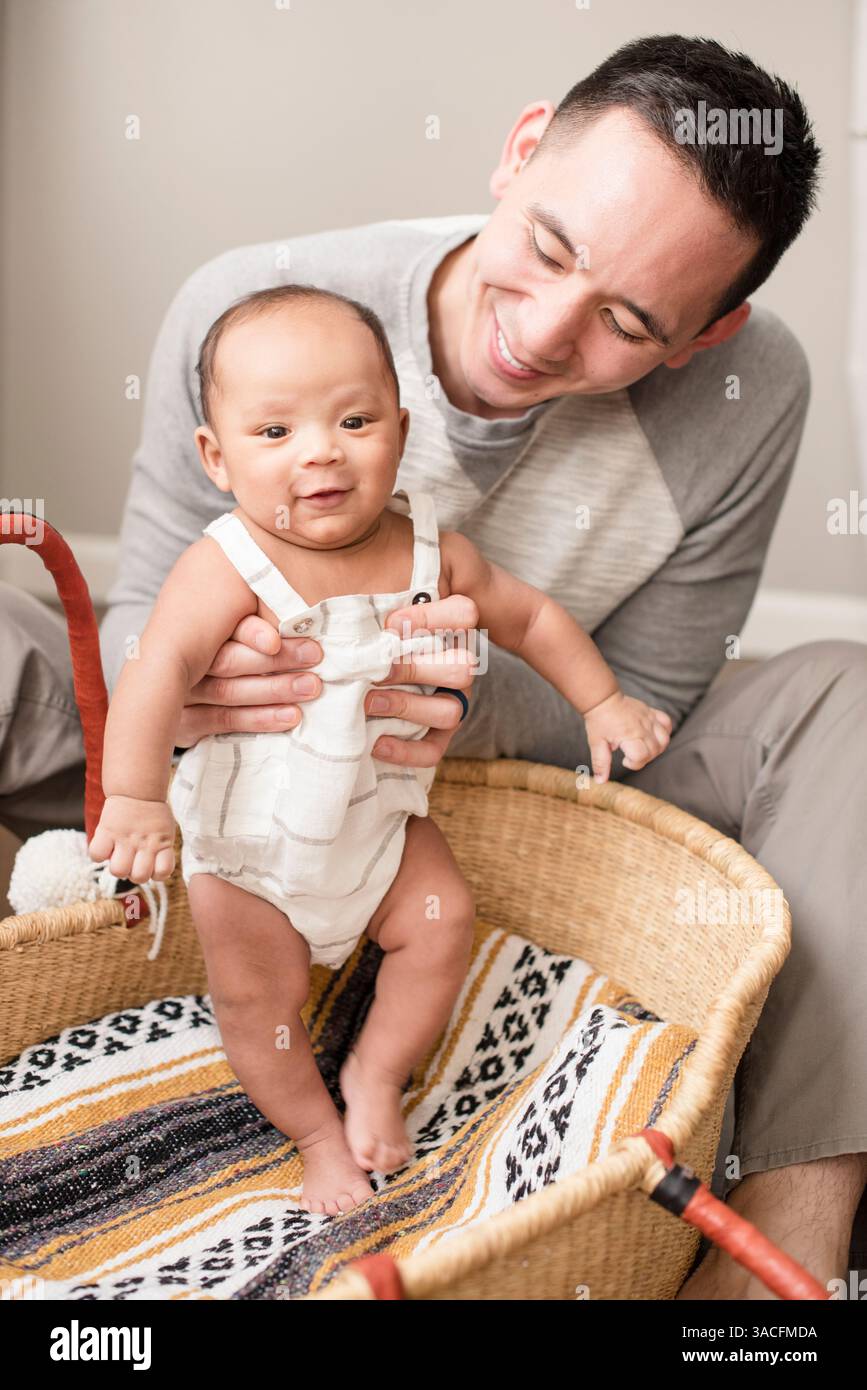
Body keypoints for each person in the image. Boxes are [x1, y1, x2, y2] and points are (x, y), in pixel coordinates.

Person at [3, 33, 864, 1292]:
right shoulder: (259, 300)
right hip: (229, 763)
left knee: (844, 689)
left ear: (706, 331)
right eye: (552, 248)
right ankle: (74, 905)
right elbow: (142, 616)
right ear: (520, 153)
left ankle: (786, 1236)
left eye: (630, 321)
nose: (542, 334)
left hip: (501, 776)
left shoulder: (754, 385)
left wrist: (447, 698)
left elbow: (650, 693)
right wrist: (202, 682)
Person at [87, 284, 671, 1212]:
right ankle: (318, 1137)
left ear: (399, 430)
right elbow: (157, 671)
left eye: (353, 419)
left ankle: (374, 1075)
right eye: (274, 433)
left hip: (380, 831)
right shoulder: (227, 565)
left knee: (441, 922)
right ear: (218, 457)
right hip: (252, 852)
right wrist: (137, 797)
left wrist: (601, 701)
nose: (321, 449)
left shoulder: (433, 552)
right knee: (255, 1004)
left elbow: (529, 615)